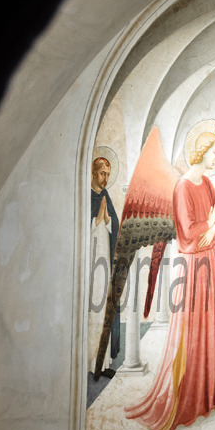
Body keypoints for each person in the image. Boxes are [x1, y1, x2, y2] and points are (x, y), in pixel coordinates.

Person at [125, 131, 215, 430]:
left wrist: (213, 228)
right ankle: (187, 394)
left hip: (211, 259)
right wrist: (209, 225)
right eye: (214, 152)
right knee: (191, 327)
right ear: (201, 151)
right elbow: (187, 229)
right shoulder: (182, 187)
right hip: (194, 264)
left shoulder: (206, 183)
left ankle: (207, 393)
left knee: (210, 322)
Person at [89, 155, 120, 375]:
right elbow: (80, 227)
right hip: (90, 261)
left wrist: (107, 220)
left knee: (104, 307)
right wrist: (97, 219)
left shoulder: (105, 195)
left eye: (108, 175)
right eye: (102, 174)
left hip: (104, 259)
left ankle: (104, 362)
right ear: (94, 173)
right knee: (93, 309)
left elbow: (114, 223)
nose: (105, 178)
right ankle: (91, 363)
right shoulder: (86, 195)